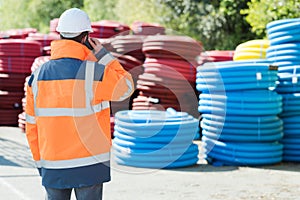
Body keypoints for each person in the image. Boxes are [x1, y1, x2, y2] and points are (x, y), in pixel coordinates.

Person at [25, 8, 134, 200]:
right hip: (90, 166)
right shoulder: (95, 73)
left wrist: (41, 164)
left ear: (60, 35)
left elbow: (31, 127)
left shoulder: (37, 77)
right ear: (86, 38)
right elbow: (126, 86)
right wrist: (103, 55)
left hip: (53, 165)